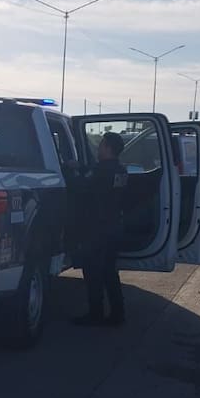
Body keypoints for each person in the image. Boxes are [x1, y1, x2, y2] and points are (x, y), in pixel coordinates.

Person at [71, 132, 128, 327]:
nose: (98, 148)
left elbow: (81, 187)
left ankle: (95, 313)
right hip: (113, 226)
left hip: (96, 229)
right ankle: (117, 313)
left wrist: (74, 172)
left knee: (93, 272)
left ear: (108, 148)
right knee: (110, 272)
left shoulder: (100, 171)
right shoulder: (120, 170)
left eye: (101, 145)